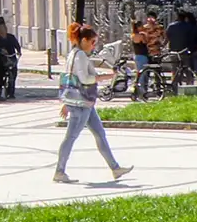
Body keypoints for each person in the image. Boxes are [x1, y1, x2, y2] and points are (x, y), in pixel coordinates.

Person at [56, 23, 131, 184]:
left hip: (84, 102)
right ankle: (59, 171)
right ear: (84, 40)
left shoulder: (73, 54)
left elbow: (71, 78)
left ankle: (115, 168)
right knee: (71, 137)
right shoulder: (81, 56)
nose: (93, 46)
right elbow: (85, 79)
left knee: (99, 134)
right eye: (92, 42)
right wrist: (106, 77)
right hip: (81, 103)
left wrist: (66, 101)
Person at [165, 9, 197, 84]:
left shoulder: (171, 26)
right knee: (189, 71)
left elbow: (167, 38)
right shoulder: (192, 27)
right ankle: (191, 86)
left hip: (175, 52)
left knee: (175, 71)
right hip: (187, 52)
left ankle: (175, 87)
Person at [131, 11, 164, 98]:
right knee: (144, 74)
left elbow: (163, 37)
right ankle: (142, 92)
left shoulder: (159, 28)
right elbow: (145, 41)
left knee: (150, 73)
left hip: (150, 54)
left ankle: (149, 90)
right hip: (145, 54)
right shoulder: (142, 32)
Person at [0, 16, 22, 101]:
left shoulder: (11, 37)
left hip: (11, 57)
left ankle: (11, 93)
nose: (2, 30)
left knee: (13, 74)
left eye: (3, 28)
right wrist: (1, 50)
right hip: (2, 59)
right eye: (0, 28)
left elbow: (17, 45)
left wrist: (19, 51)